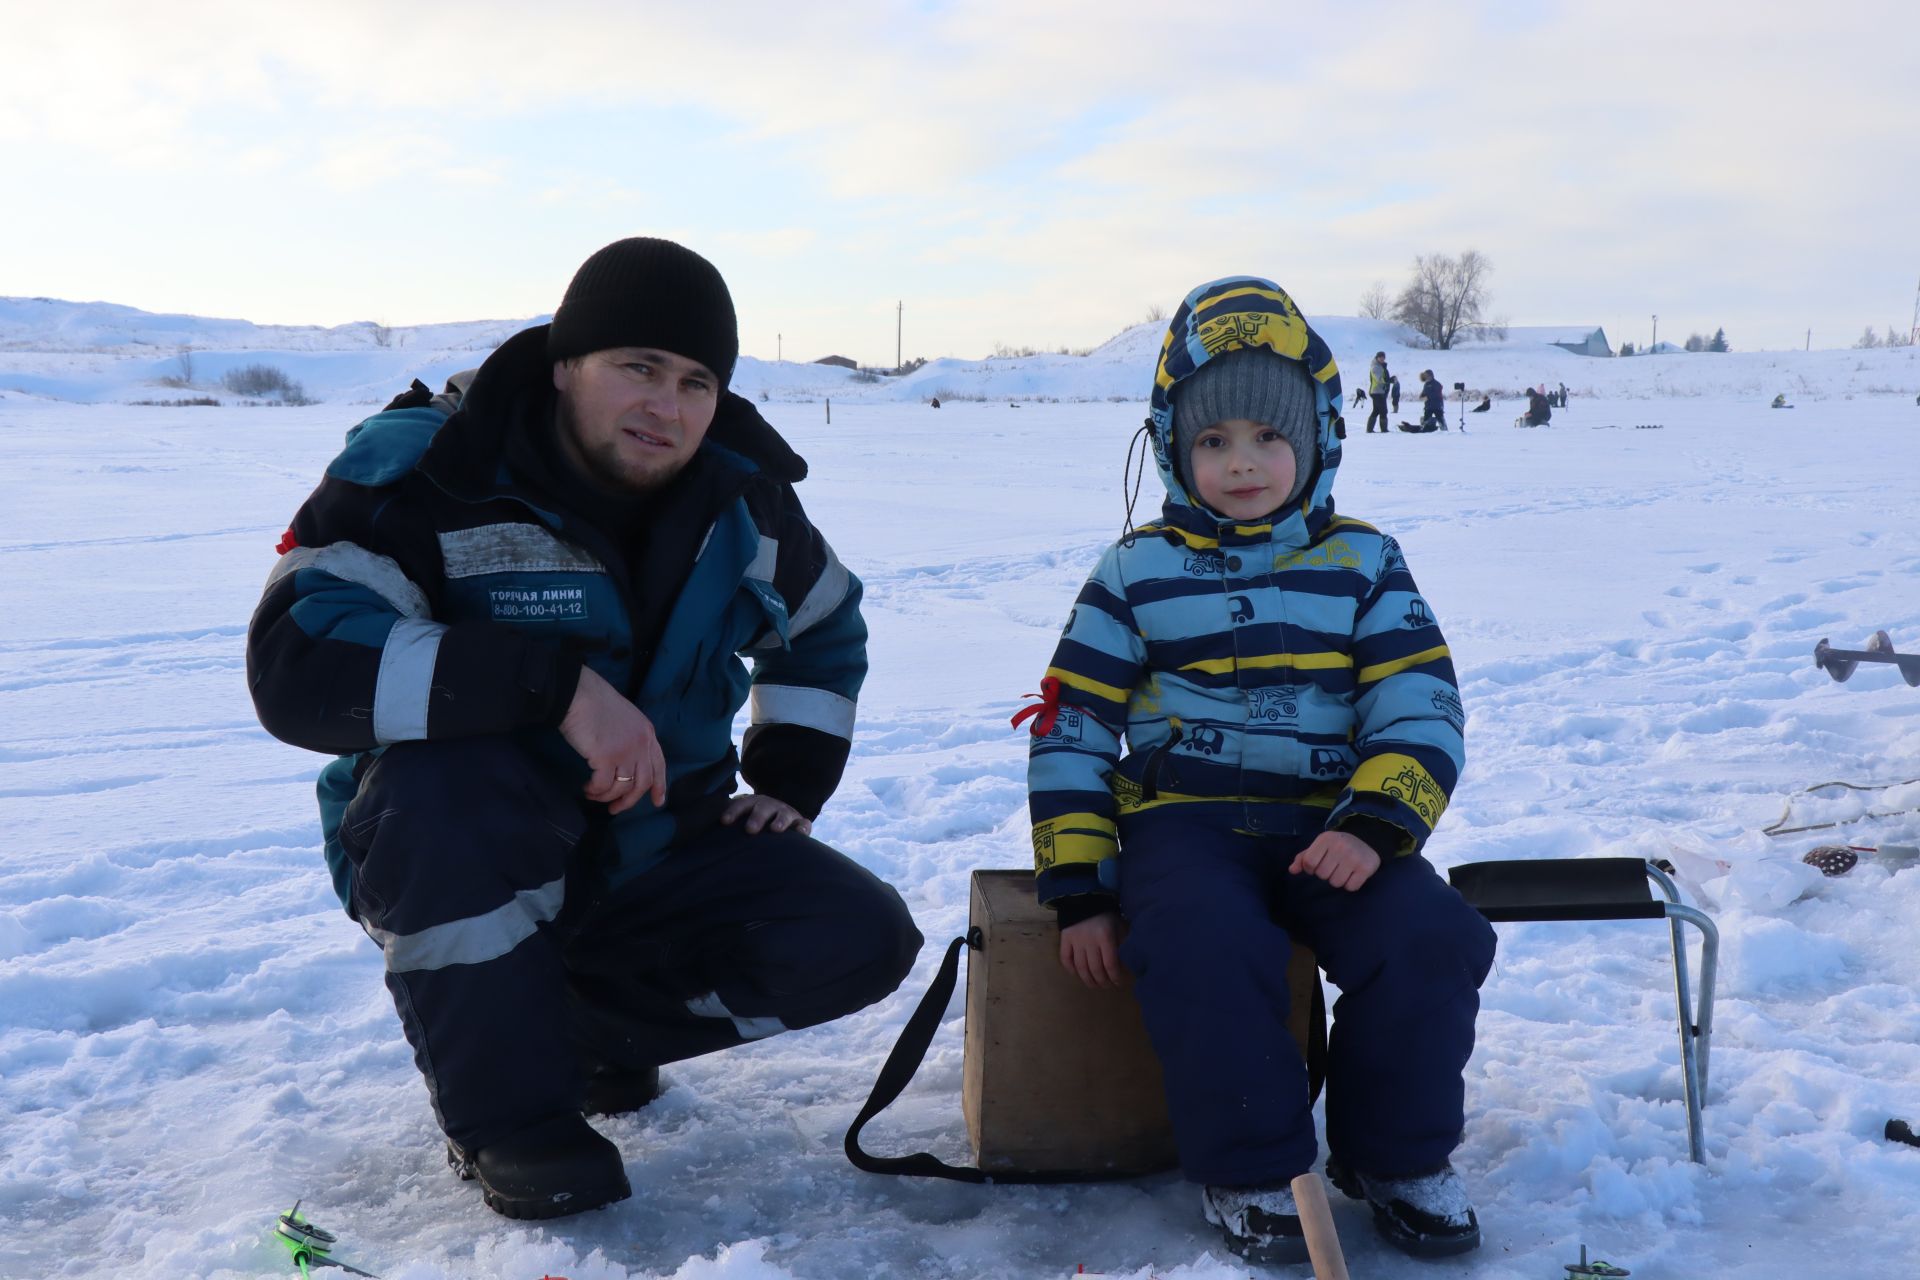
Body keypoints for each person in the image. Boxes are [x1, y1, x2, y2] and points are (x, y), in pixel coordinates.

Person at [246, 238, 923, 1221]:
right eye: (637, 367)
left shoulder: (746, 501)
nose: (667, 405)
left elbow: (824, 627)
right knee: (448, 801)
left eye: (696, 381)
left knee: (859, 934)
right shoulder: (434, 470)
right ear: (566, 363)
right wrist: (553, 687)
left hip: (656, 842)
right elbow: (298, 658)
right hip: (457, 841)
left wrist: (789, 775)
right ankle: (509, 1119)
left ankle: (577, 1036)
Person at [1020, 276, 1495, 1265]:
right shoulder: (1132, 570)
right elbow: (1069, 727)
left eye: (1268, 438)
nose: (1242, 462)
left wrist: (1373, 826)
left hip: (1331, 826)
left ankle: (1395, 1155)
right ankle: (1255, 1165)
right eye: (1212, 440)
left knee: (1432, 934)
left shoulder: (1365, 561)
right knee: (1200, 938)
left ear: (1318, 439)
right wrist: (1079, 889)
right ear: (1172, 446)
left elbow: (1419, 705)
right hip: (1184, 825)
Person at [1366, 352, 1391, 433]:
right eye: (1380, 358)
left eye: (1383, 358)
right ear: (1377, 358)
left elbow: (1384, 377)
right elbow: (1379, 379)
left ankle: (1369, 429)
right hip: (1377, 392)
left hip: (1380, 391)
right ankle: (1384, 429)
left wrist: (1389, 380)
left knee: (1376, 410)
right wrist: (1389, 380)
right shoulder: (1375, 367)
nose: (1382, 359)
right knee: (1383, 410)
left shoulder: (1381, 366)